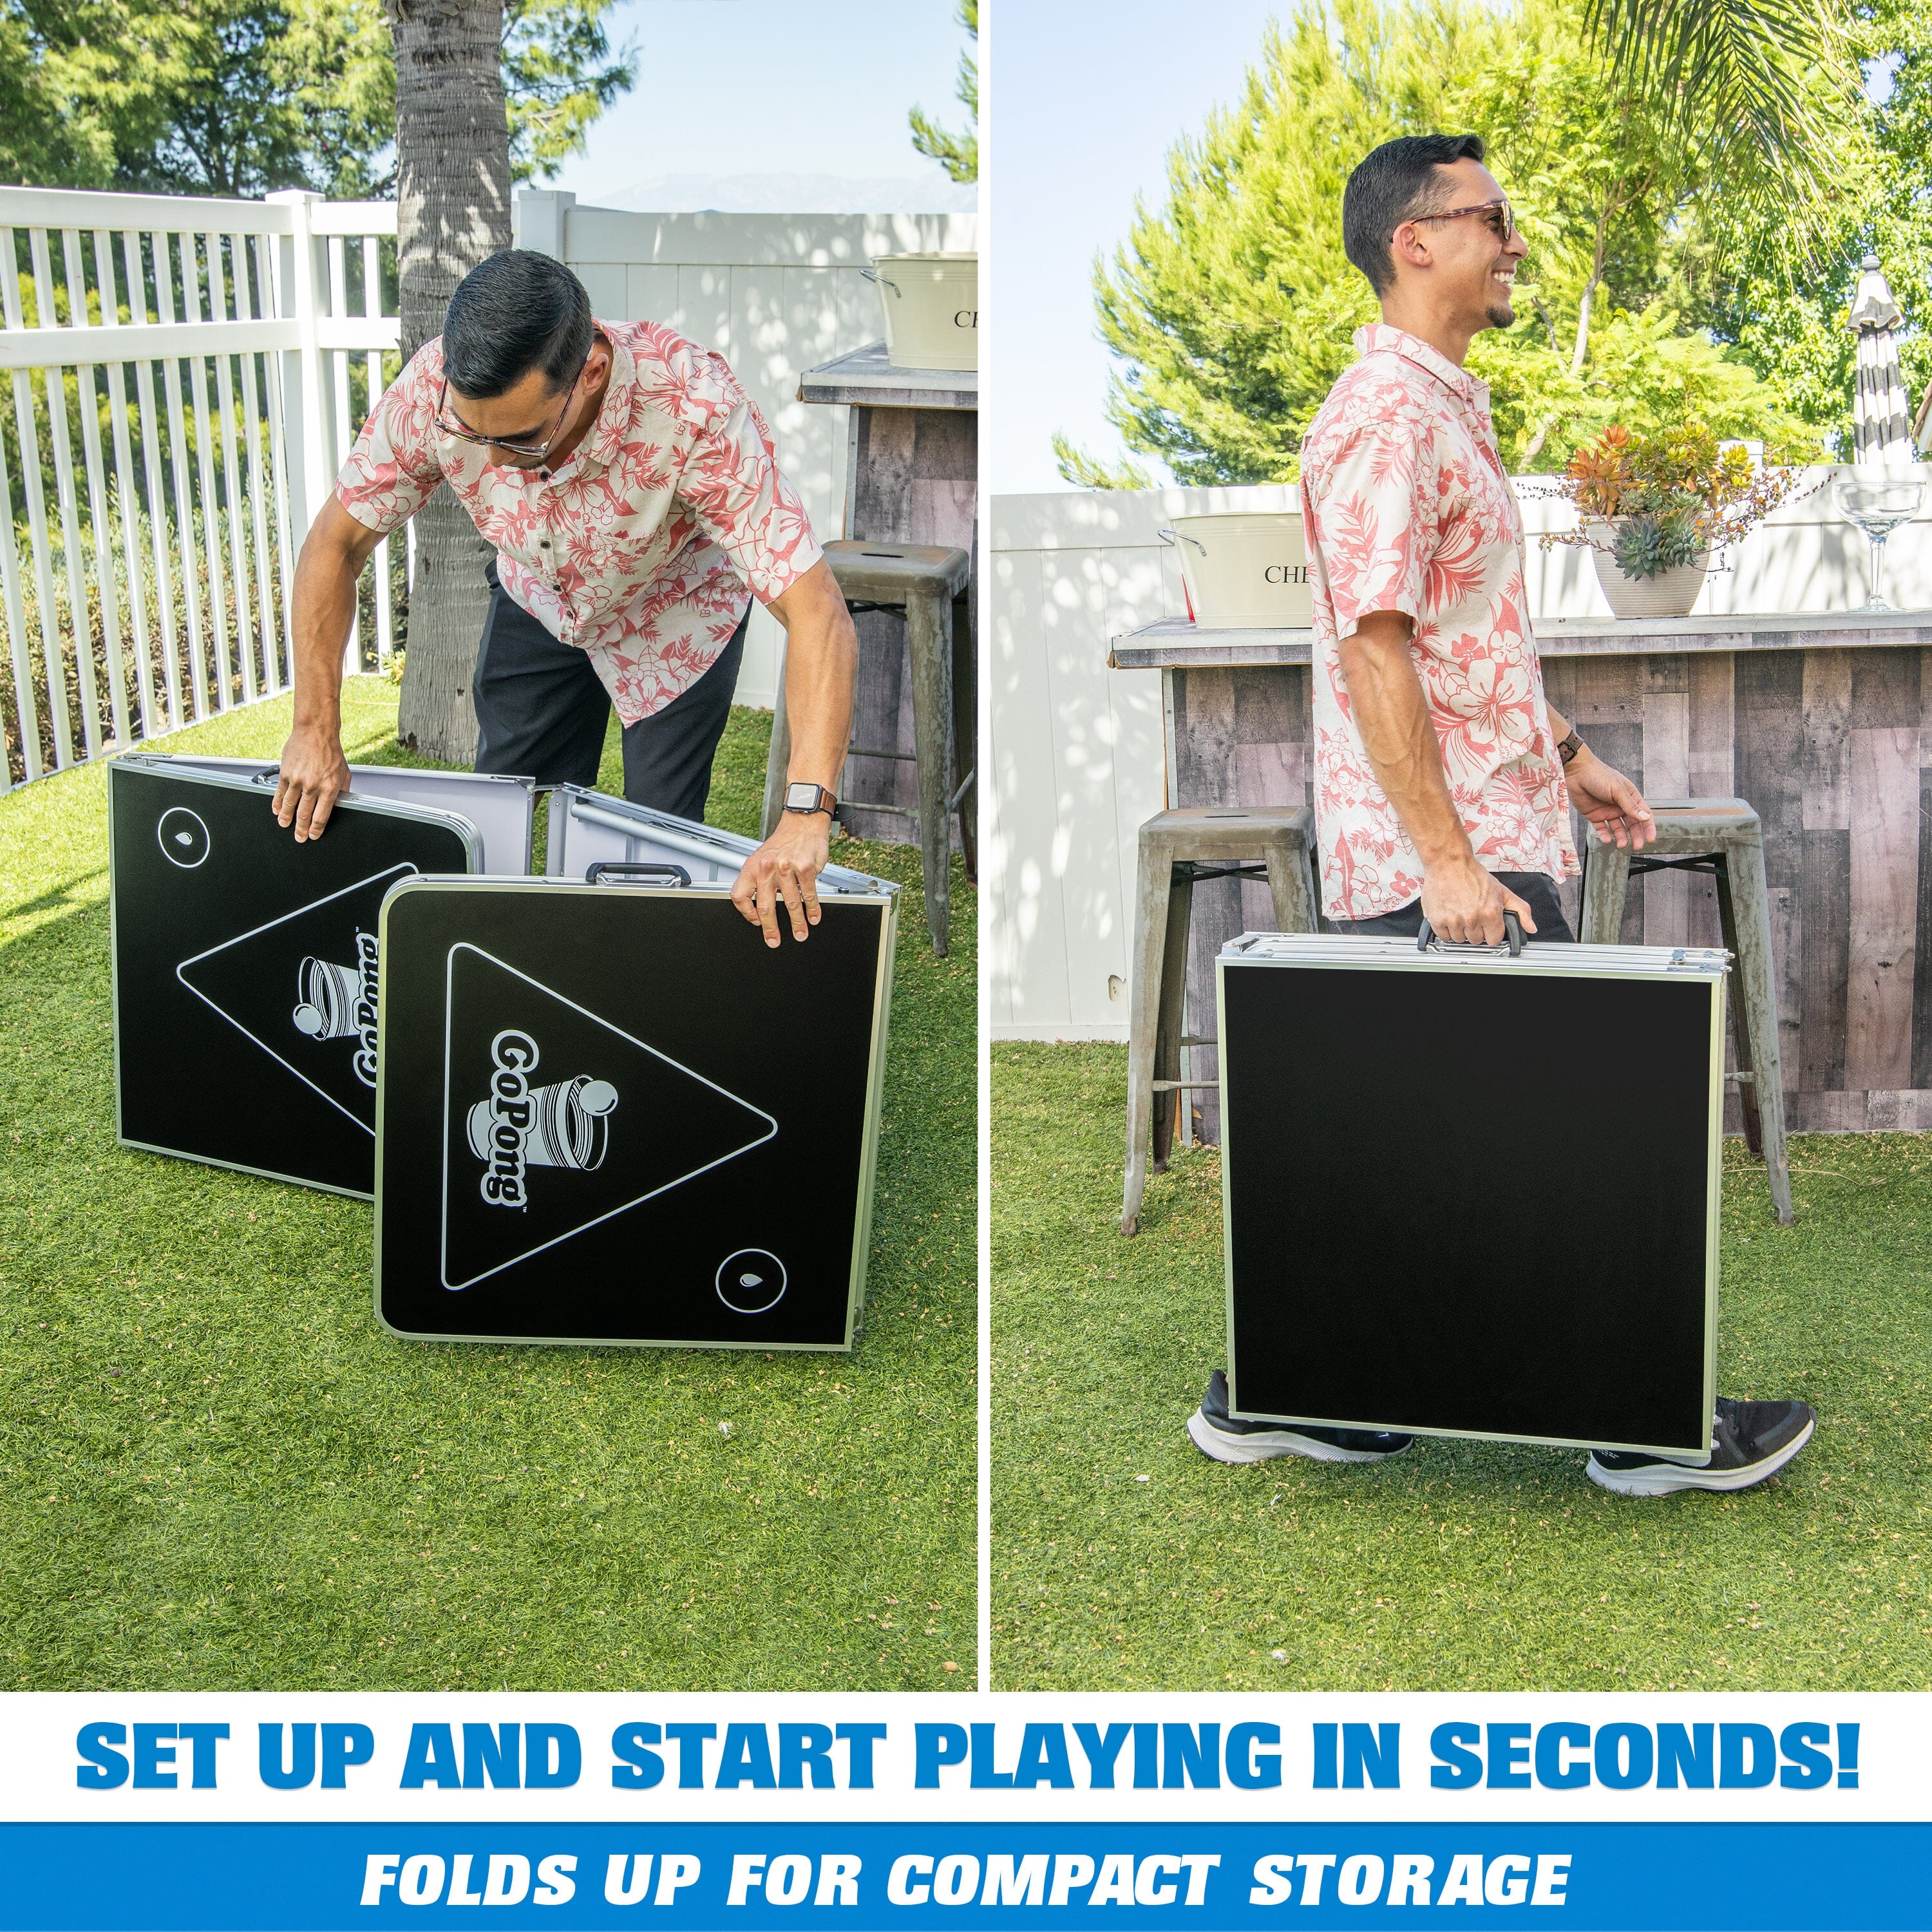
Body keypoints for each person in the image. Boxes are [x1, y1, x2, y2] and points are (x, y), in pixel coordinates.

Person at [1187, 133, 1815, 1497]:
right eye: (1493, 219)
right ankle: (1646, 1428)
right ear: (1417, 242)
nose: (1515, 241)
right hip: (1445, 850)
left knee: (1441, 1148)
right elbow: (1376, 646)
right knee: (1544, 1146)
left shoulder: (1448, 405)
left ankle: (1295, 1394)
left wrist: (1573, 753)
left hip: (1493, 818)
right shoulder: (1383, 417)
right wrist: (1450, 861)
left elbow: (1468, 640)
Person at [272, 249, 855, 949]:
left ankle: (638, 987)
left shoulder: (694, 404)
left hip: (673, 612)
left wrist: (805, 814)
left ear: (593, 374)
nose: (488, 463)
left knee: (658, 843)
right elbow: (335, 544)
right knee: (505, 810)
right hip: (536, 596)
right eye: (469, 432)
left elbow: (817, 609)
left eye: (519, 438)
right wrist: (313, 727)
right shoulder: (429, 388)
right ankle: (507, 969)